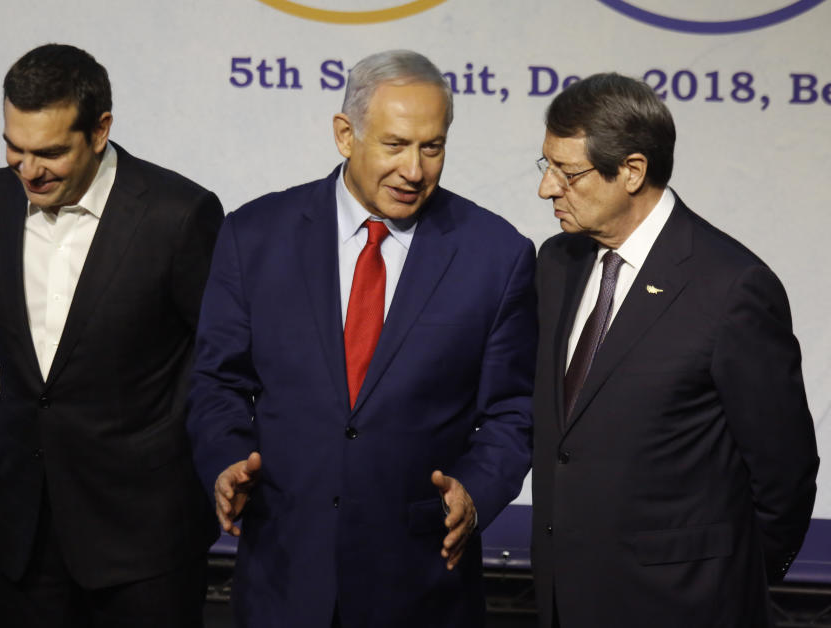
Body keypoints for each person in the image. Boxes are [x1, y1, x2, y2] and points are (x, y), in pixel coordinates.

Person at [186, 49, 537, 627]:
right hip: (284, 573)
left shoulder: (495, 256)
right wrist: (225, 461)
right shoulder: (255, 236)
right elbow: (218, 381)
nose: (415, 170)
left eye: (433, 147)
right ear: (345, 135)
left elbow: (513, 410)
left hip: (422, 582)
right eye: (395, 145)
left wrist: (475, 492)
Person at [0, 44, 223, 627]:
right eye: (15, 147)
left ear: (100, 130)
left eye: (51, 152)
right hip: (23, 531)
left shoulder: (179, 214)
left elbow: (222, 362)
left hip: (145, 538)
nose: (28, 170)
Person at [530, 72, 819, 627]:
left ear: (632, 172)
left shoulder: (731, 287)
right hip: (563, 598)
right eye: (546, 167)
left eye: (568, 174)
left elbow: (784, 469)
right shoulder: (556, 263)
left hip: (684, 605)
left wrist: (735, 580)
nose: (547, 189)